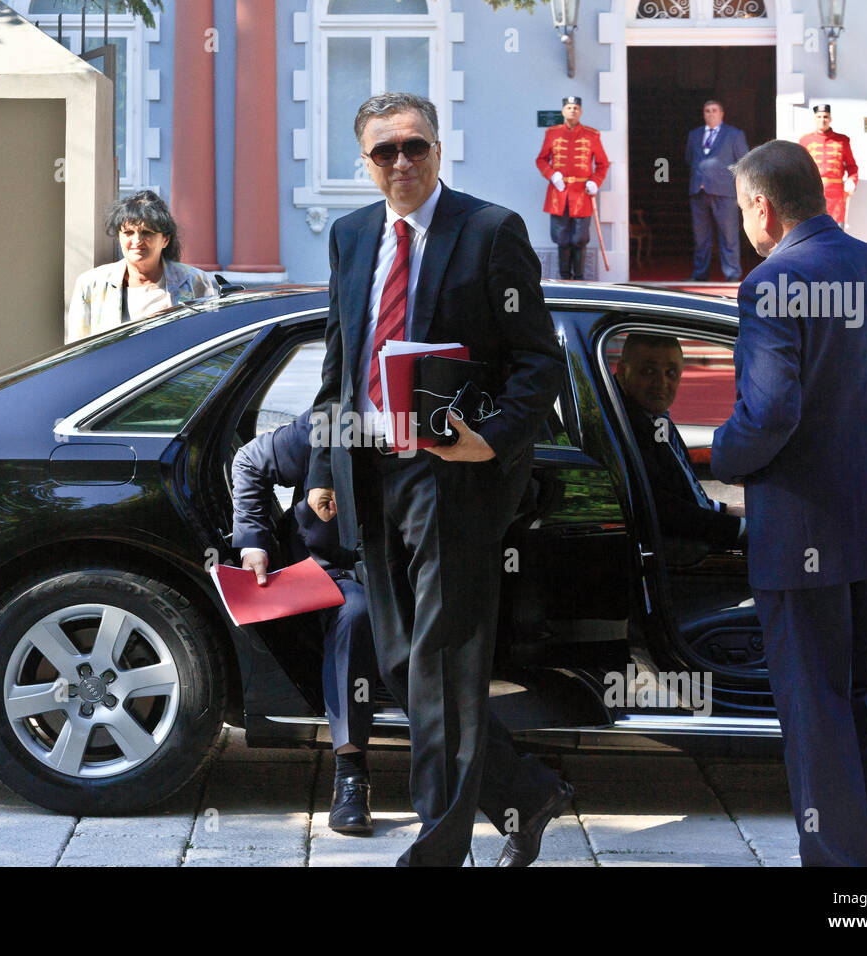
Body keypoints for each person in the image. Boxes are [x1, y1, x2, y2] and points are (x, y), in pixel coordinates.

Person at [306, 92, 572, 867]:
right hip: (368, 473)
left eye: (413, 147)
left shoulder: (490, 231)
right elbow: (339, 358)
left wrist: (486, 441)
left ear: (438, 150)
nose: (400, 163)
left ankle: (437, 849)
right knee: (399, 661)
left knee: (445, 668)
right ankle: (524, 793)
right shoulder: (352, 237)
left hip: (450, 479)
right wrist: (325, 461)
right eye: (384, 151)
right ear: (364, 160)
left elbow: (538, 360)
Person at [711, 139, 867, 866]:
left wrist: (718, 457)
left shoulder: (772, 281)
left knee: (815, 711)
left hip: (801, 529)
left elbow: (769, 415)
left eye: (741, 209)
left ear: (762, 205)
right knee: (855, 698)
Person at [231, 410, 378, 835]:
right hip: (331, 570)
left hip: (403, 570)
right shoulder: (335, 421)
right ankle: (351, 774)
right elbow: (249, 462)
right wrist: (253, 543)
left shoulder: (434, 419)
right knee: (354, 614)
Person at [615, 333, 744, 551]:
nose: (661, 383)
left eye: (671, 373)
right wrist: (741, 528)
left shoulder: (651, 417)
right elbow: (664, 510)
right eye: (648, 371)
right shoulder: (625, 427)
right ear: (622, 372)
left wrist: (725, 509)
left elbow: (680, 494)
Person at [65, 190, 218, 342]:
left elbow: (210, 341)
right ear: (118, 237)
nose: (137, 241)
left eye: (147, 233)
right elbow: (77, 350)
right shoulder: (91, 285)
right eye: (128, 232)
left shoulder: (195, 281)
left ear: (165, 240)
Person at [535, 95, 609, 280]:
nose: (572, 111)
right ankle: (564, 278)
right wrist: (552, 175)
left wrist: (595, 181)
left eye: (576, 108)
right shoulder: (552, 133)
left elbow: (602, 164)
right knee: (561, 239)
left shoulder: (592, 135)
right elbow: (541, 160)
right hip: (558, 194)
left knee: (580, 239)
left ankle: (580, 277)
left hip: (582, 194)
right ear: (563, 111)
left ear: (581, 112)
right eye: (569, 108)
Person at [686, 100, 749, 282]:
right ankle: (700, 274)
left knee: (729, 236)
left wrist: (741, 192)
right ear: (703, 114)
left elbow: (743, 163)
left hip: (724, 192)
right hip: (698, 192)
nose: (710, 113)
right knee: (700, 238)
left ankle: (732, 275)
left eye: (714, 110)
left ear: (721, 113)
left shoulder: (734, 134)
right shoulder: (694, 134)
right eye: (707, 111)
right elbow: (690, 158)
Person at [799, 104, 858, 229]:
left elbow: (852, 167)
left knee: (836, 228)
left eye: (825, 117)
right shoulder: (805, 140)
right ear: (814, 118)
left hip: (836, 193)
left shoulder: (842, 140)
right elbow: (800, 167)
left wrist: (852, 180)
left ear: (830, 119)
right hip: (814, 191)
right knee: (813, 227)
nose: (822, 120)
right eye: (819, 117)